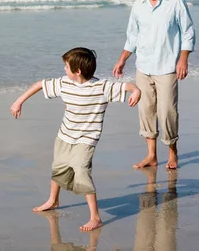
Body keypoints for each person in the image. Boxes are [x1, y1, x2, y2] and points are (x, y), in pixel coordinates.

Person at [10, 47, 141, 232]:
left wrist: (136, 91)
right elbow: (40, 84)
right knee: (59, 166)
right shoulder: (64, 83)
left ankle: (95, 217)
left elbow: (126, 86)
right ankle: (53, 200)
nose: (64, 69)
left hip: (87, 139)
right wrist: (18, 101)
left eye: (66, 66)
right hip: (65, 134)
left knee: (81, 170)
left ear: (77, 71)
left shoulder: (101, 87)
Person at [113, 0, 196, 170]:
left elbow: (188, 32)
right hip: (143, 66)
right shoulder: (139, 5)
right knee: (146, 110)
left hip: (167, 66)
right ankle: (151, 155)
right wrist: (123, 58)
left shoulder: (175, 1)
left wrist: (183, 59)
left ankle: (172, 152)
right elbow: (132, 36)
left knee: (167, 111)